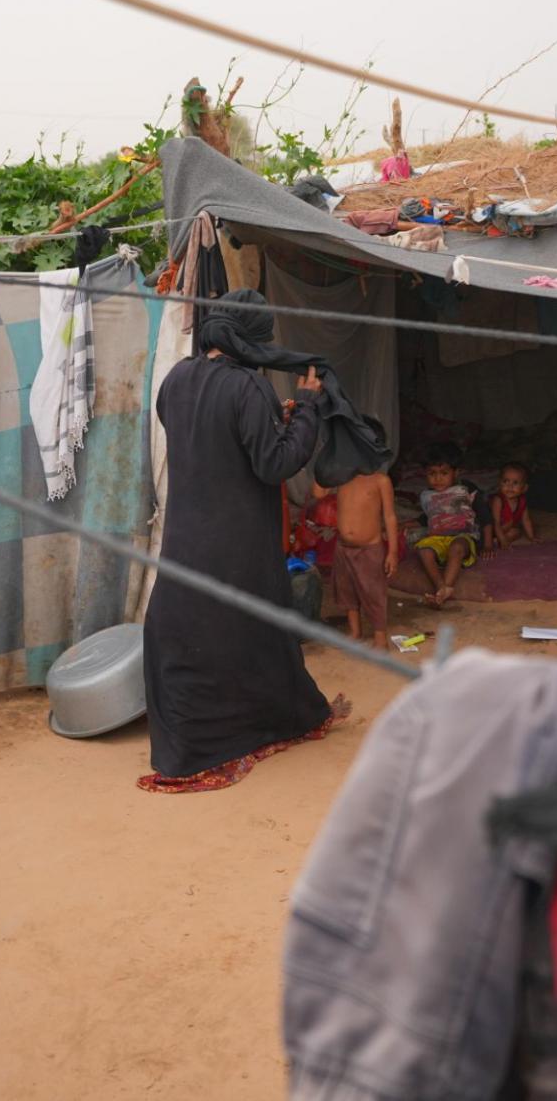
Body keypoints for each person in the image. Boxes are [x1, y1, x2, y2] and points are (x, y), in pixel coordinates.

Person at [141, 293, 343, 790]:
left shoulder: (176, 379)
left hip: (187, 534)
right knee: (249, 628)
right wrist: (307, 410)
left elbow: (206, 435)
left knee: (194, 630)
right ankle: (242, 732)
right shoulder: (248, 386)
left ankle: (189, 745)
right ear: (253, 338)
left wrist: (274, 421)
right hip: (238, 537)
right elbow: (275, 464)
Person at [313, 466, 400, 651]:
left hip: (370, 548)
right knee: (347, 590)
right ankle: (355, 632)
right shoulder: (341, 476)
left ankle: (380, 637)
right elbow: (318, 493)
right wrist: (326, 463)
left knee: (373, 592)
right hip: (343, 546)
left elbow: (389, 516)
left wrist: (392, 552)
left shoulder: (380, 480)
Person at [415, 445, 479, 607]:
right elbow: (427, 517)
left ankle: (446, 588)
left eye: (444, 473)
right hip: (436, 538)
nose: (438, 479)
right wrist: (402, 524)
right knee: (424, 551)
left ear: (456, 473)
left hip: (462, 536)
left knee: (457, 548)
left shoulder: (465, 489)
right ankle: (441, 588)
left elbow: (484, 514)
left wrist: (487, 544)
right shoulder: (426, 495)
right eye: (432, 474)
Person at [485, 462, 538, 552]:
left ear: (524, 488)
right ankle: (492, 540)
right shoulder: (498, 500)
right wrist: (502, 539)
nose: (509, 486)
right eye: (505, 481)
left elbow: (526, 520)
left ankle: (497, 541)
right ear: (499, 484)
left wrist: (531, 537)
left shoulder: (522, 501)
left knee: (516, 532)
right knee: (508, 525)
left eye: (515, 483)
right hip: (491, 529)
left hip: (505, 529)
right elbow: (495, 522)